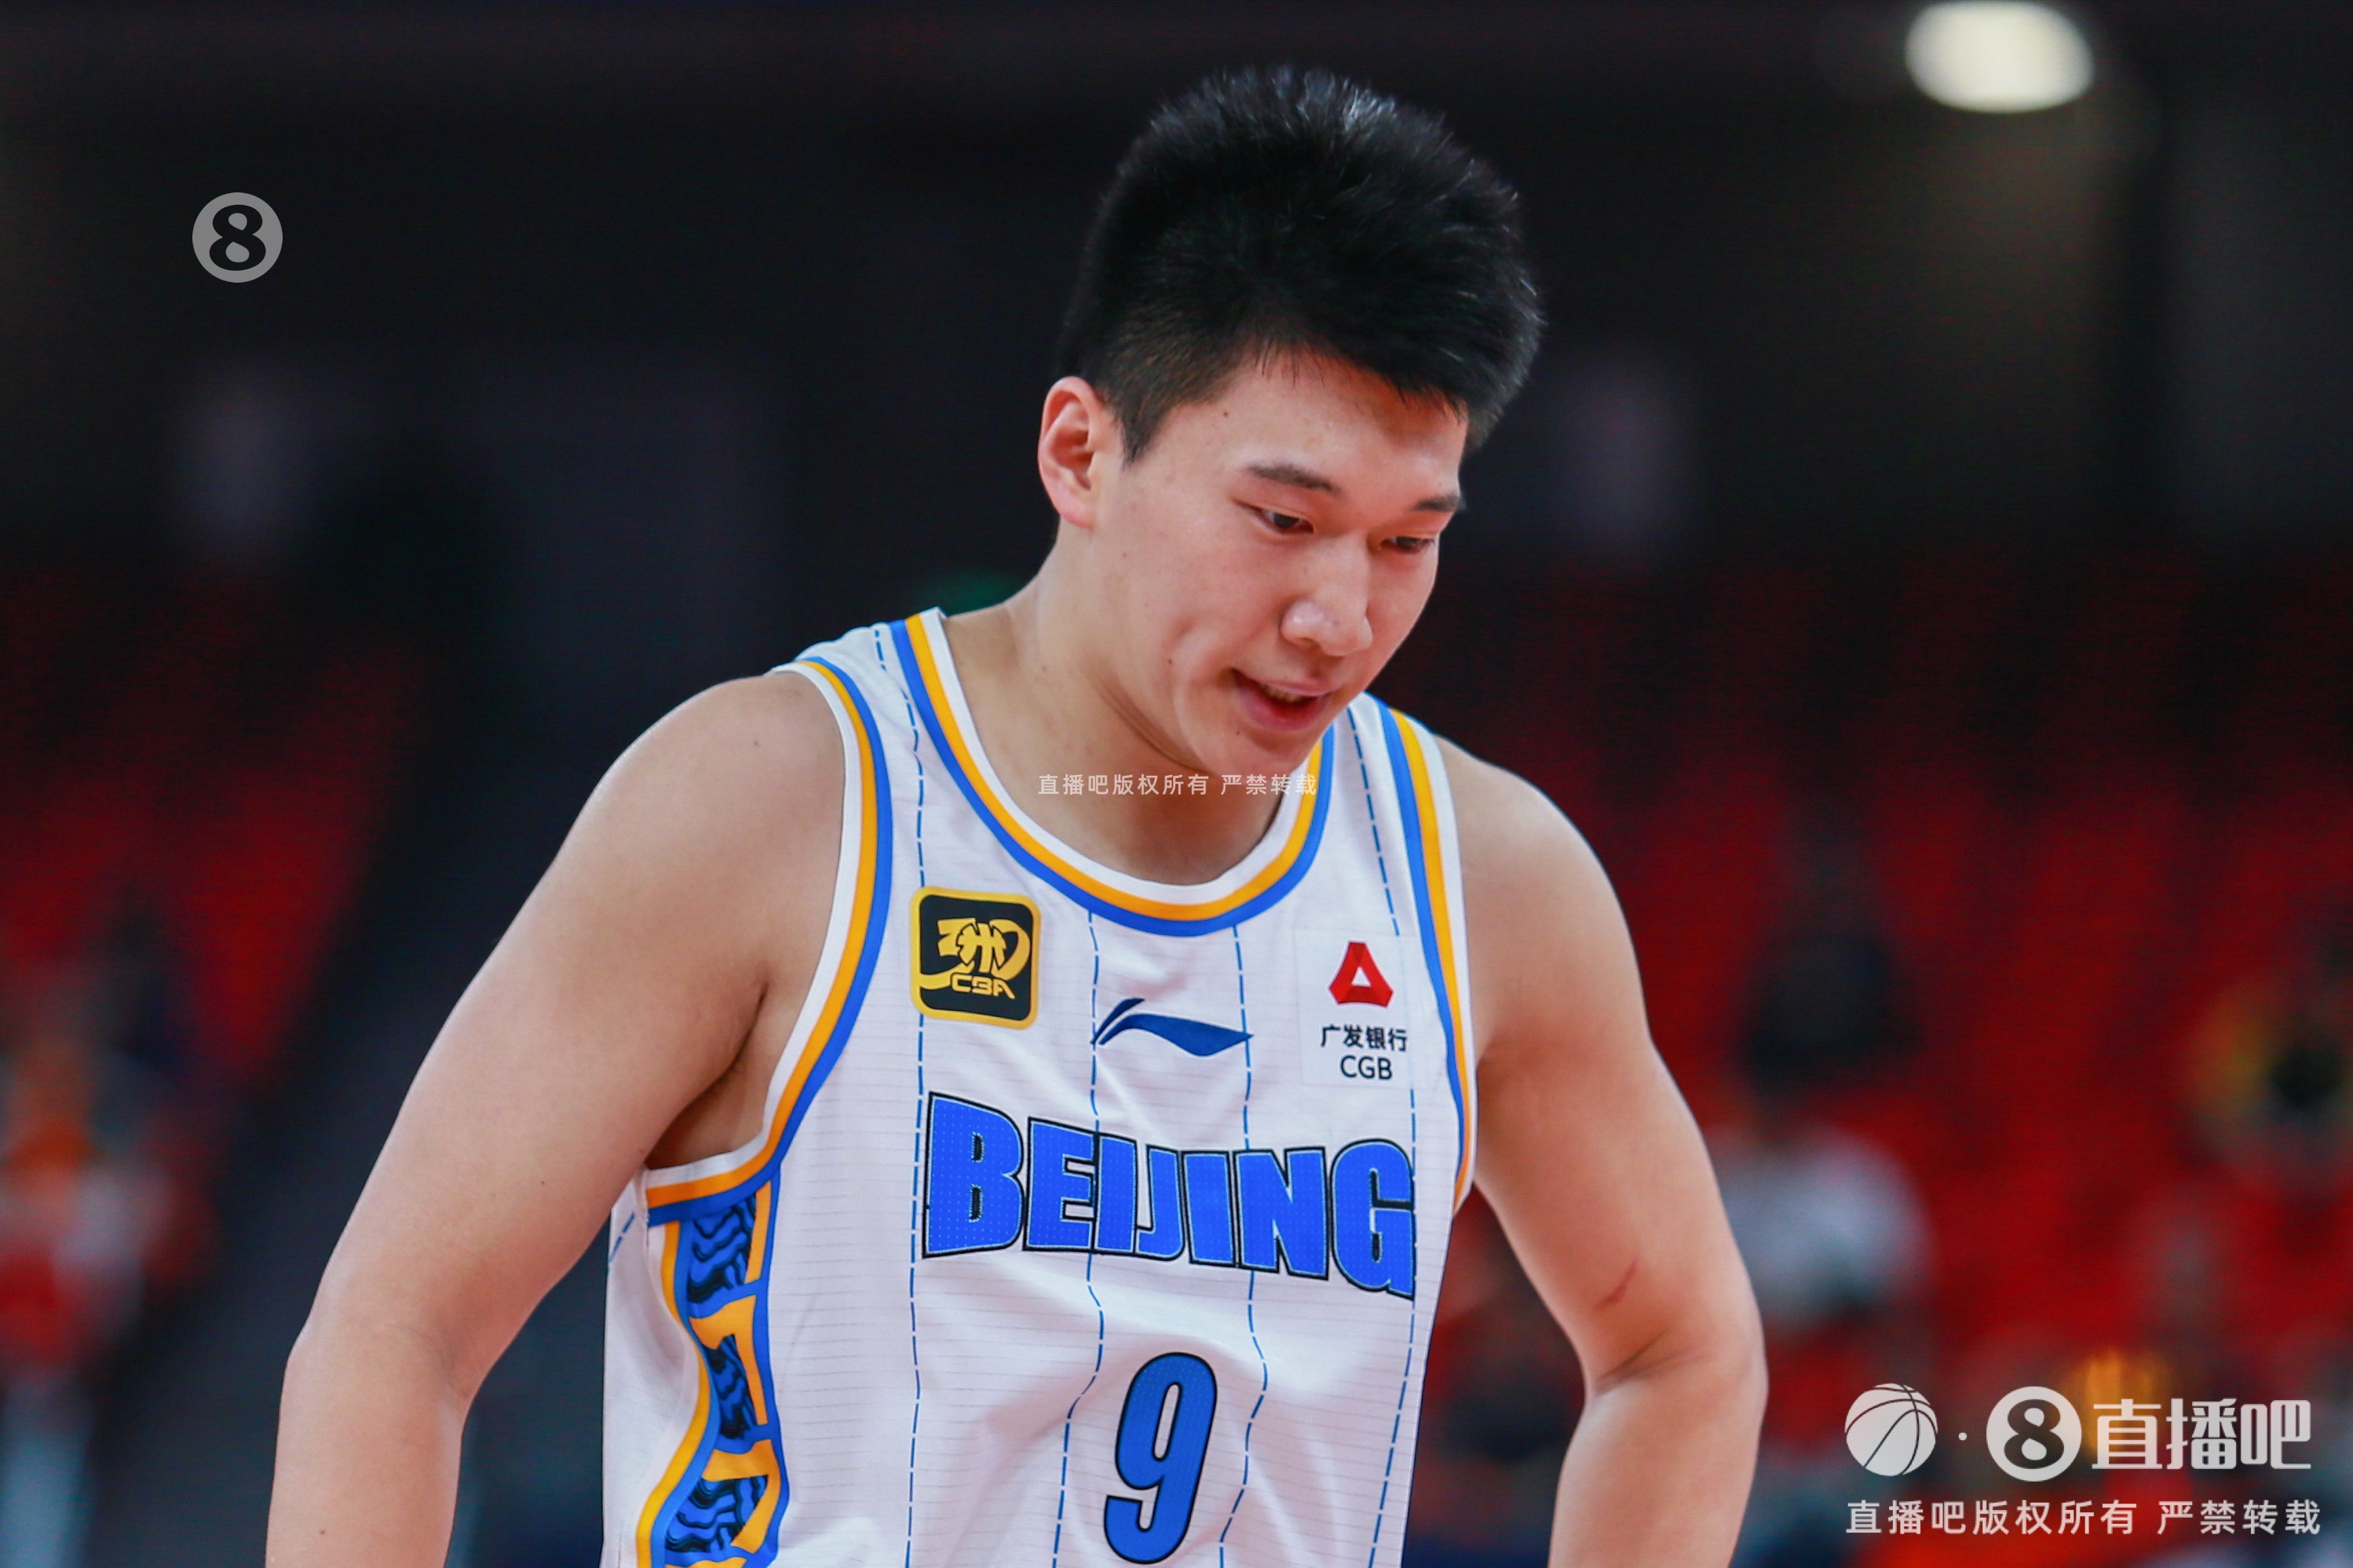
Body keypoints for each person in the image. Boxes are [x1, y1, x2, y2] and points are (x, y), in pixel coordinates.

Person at [269, 68, 1764, 1568]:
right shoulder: (765, 800)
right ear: (1080, 453)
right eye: (1284, 520)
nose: (1337, 615)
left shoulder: (1487, 879)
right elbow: (397, 1331)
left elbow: (1680, 1349)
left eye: (1405, 541)